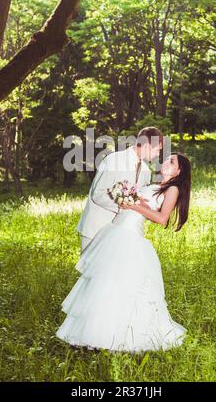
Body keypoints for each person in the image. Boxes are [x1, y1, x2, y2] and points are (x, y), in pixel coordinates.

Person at [56, 151, 191, 353]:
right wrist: (128, 198)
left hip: (129, 236)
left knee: (121, 286)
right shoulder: (156, 185)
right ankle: (94, 332)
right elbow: (143, 204)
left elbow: (161, 218)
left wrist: (133, 204)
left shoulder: (172, 189)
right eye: (166, 158)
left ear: (179, 170)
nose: (165, 161)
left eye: (171, 161)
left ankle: (122, 336)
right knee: (105, 284)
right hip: (116, 230)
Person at [77, 127, 164, 253]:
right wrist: (126, 205)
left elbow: (139, 198)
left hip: (119, 232)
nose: (158, 154)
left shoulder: (146, 171)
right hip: (96, 228)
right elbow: (98, 194)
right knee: (91, 272)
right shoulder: (114, 160)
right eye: (158, 150)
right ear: (148, 145)